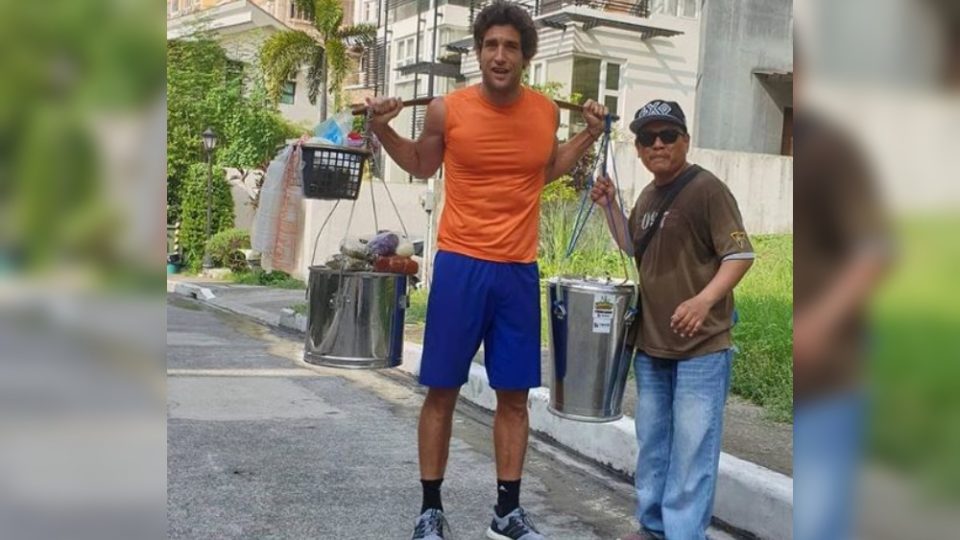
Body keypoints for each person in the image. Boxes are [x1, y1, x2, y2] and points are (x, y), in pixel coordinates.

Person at [364, 2, 606, 539]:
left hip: (518, 271)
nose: (500, 55)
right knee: (442, 390)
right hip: (460, 266)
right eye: (490, 45)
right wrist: (382, 131)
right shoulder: (447, 110)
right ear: (478, 54)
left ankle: (506, 513)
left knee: (514, 396)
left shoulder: (544, 112)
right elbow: (423, 164)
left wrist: (587, 136)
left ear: (525, 57)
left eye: (511, 47)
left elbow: (541, 173)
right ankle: (431, 508)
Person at [589, 100, 754, 540]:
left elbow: (739, 254)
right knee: (654, 447)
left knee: (692, 451)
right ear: (639, 150)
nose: (657, 145)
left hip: (702, 348)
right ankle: (652, 528)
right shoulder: (648, 195)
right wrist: (610, 208)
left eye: (667, 135)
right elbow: (632, 246)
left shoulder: (707, 190)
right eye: (647, 138)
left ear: (685, 140)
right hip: (654, 347)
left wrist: (703, 301)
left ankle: (683, 534)